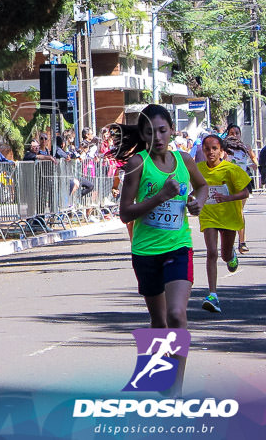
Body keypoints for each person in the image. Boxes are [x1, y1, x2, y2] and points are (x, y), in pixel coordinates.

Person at [115, 104, 207, 397]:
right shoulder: (137, 165)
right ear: (142, 135)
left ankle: (175, 391)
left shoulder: (185, 160)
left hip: (178, 246)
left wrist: (197, 202)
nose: (157, 137)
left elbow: (202, 186)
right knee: (159, 321)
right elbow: (125, 213)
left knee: (177, 314)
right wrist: (161, 196)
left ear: (172, 130)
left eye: (162, 130)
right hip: (145, 251)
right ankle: (160, 376)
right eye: (149, 132)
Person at [195, 134, 249, 313]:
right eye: (207, 148)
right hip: (209, 215)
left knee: (224, 254)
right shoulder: (198, 169)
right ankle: (212, 294)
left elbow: (245, 193)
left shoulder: (230, 170)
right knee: (211, 252)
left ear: (222, 152)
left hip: (228, 216)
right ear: (202, 150)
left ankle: (231, 255)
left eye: (214, 148)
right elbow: (191, 187)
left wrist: (227, 198)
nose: (210, 152)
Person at [224, 124, 256, 254]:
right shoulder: (225, 147)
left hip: (242, 183)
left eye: (237, 133)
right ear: (228, 134)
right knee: (230, 212)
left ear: (240, 134)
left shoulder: (245, 147)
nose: (234, 135)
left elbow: (254, 159)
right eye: (232, 133)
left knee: (239, 211)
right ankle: (229, 242)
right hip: (228, 183)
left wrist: (254, 164)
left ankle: (242, 242)